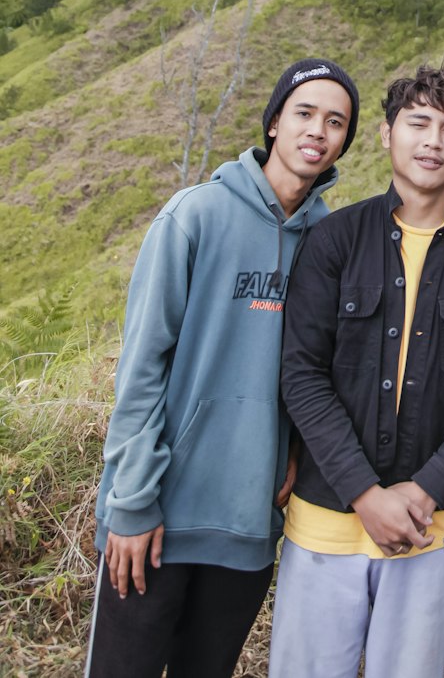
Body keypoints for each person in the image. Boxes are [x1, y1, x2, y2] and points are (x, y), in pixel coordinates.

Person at [86, 57, 360, 678]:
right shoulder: (196, 215)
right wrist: (130, 503)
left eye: (336, 121)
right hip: (156, 517)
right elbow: (142, 367)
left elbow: (313, 372)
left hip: (246, 526)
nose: (318, 130)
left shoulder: (330, 243)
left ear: (344, 140)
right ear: (273, 122)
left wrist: (290, 449)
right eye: (305, 113)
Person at [269, 66, 444, 678]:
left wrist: (425, 489)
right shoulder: (335, 239)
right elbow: (303, 374)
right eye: (418, 124)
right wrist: (365, 494)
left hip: (431, 526)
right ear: (387, 135)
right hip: (326, 519)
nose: (433, 141)